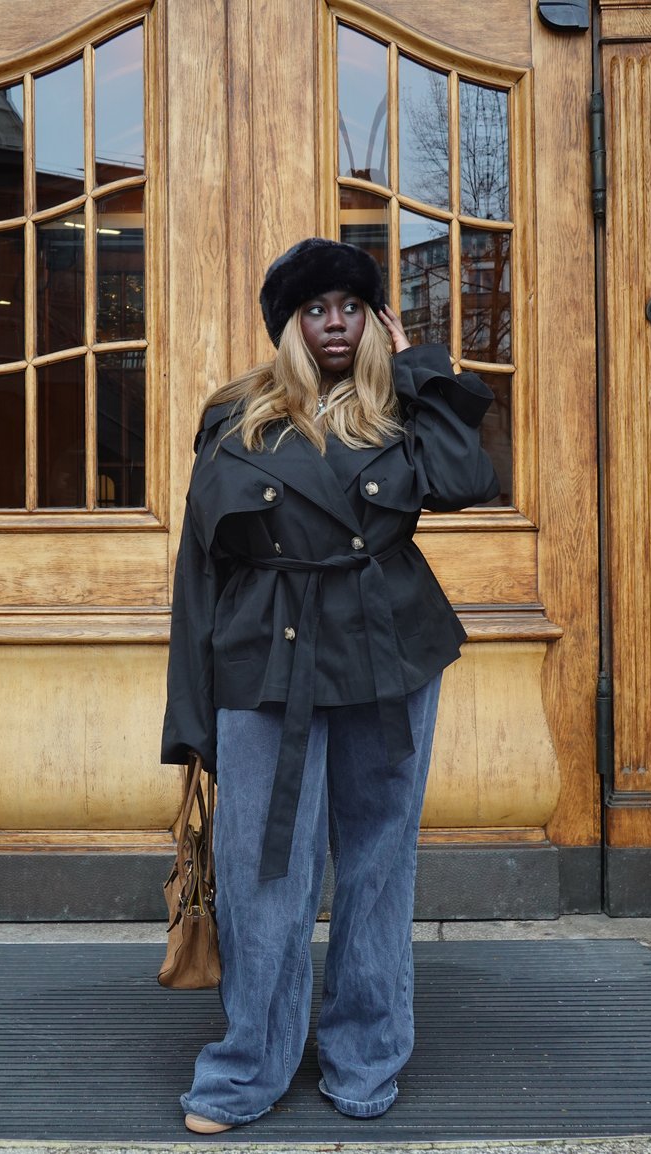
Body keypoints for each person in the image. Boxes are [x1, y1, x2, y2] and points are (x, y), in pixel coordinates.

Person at [161, 237, 499, 1134]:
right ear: (289, 327)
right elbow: (200, 570)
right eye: (317, 309)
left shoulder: (400, 409)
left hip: (389, 652)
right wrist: (190, 716)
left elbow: (469, 480)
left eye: (352, 305)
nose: (336, 322)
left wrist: (422, 363)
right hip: (263, 656)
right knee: (259, 869)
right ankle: (247, 1067)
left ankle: (364, 1053)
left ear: (373, 320)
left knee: (379, 864)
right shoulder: (237, 418)